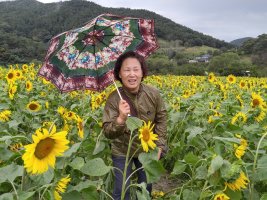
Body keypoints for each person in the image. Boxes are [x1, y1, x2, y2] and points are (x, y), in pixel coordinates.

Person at [102, 51, 167, 200]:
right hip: (122, 149)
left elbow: (161, 118)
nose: (132, 74)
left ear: (142, 72)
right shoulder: (113, 99)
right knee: (121, 189)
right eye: (127, 70)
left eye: (136, 69)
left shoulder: (153, 94)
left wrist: (160, 146)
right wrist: (120, 119)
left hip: (147, 148)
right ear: (119, 74)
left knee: (145, 188)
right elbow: (108, 132)